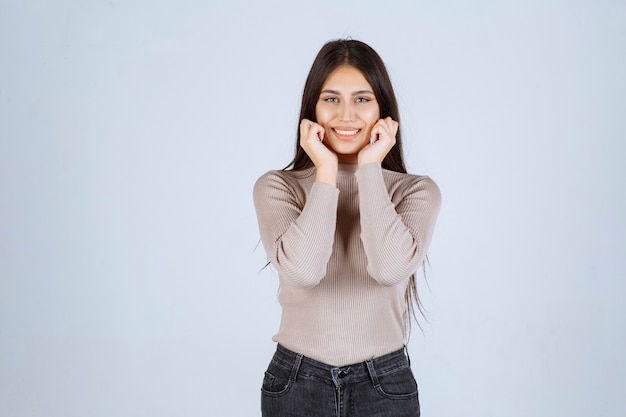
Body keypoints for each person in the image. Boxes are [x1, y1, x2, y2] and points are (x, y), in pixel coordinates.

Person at [253, 39, 441, 417]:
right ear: (312, 110)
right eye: (331, 99)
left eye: (362, 99)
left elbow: (388, 269)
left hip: (384, 383)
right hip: (296, 382)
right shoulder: (278, 187)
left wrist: (371, 166)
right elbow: (304, 272)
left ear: (383, 112)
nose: (346, 114)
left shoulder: (415, 191)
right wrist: (326, 171)